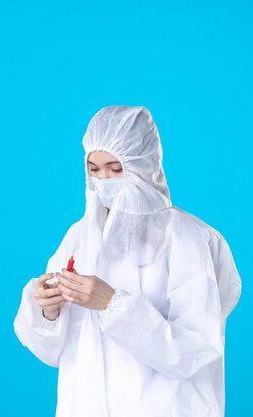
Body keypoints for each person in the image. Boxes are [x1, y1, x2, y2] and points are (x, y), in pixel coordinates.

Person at [13, 106, 241, 417]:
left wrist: (112, 304)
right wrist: (48, 310)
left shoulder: (188, 238)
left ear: (143, 165)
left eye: (115, 168)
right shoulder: (80, 237)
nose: (102, 179)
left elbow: (195, 351)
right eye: (94, 169)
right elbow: (52, 352)